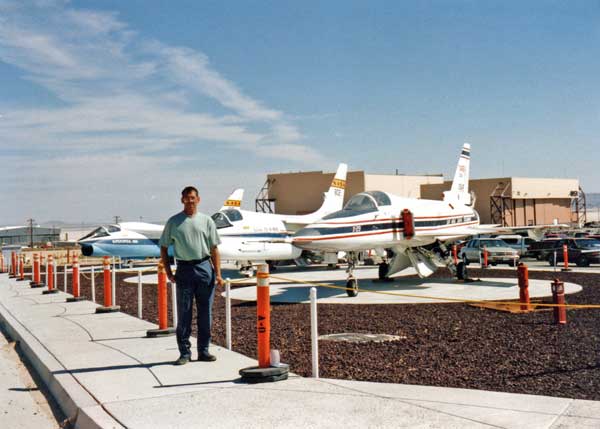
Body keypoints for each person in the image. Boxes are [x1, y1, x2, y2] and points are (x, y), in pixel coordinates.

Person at [159, 186, 223, 365]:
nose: (190, 201)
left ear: (198, 199)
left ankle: (204, 351)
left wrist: (218, 274)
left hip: (204, 268)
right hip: (184, 270)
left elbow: (214, 248)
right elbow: (163, 247)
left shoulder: (207, 221)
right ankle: (184, 353)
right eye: (187, 198)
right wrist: (169, 271)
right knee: (184, 313)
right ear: (182, 200)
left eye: (193, 198)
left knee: (205, 314)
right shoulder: (174, 222)